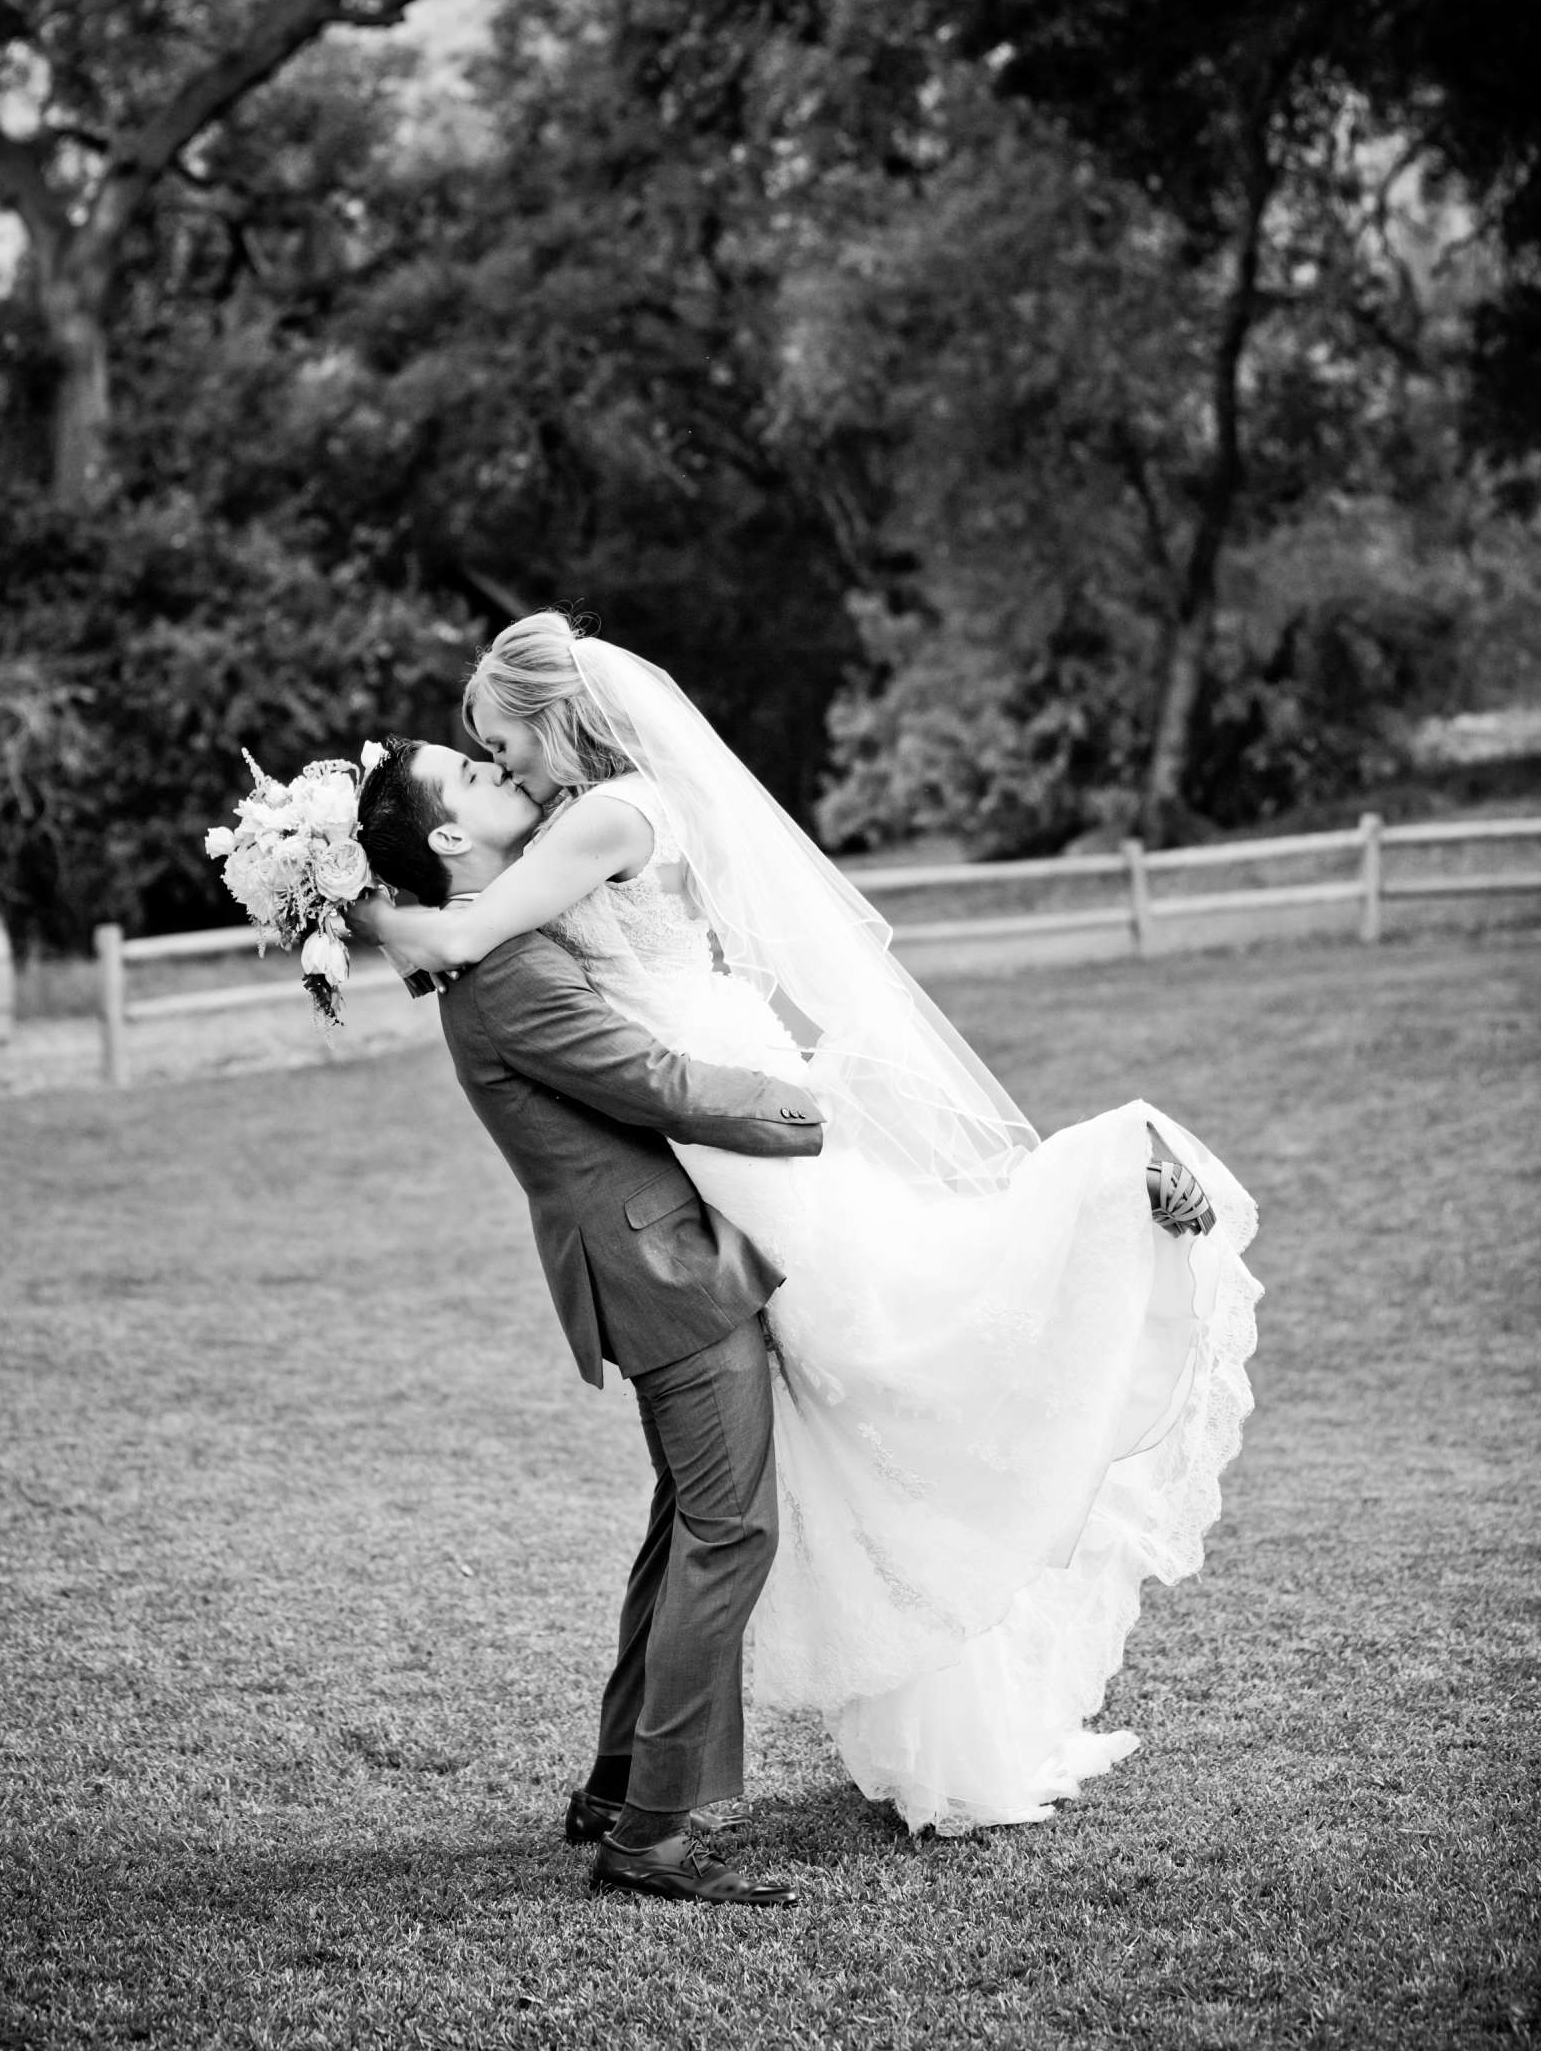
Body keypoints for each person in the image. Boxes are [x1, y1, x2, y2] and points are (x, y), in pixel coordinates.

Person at [353, 612, 1261, 1836]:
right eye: (480, 762)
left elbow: (465, 934)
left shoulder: (596, 817)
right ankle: (642, 1802)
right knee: (810, 1417)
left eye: (500, 743)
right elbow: (471, 936)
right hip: (696, 1137)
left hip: (722, 1113)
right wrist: (343, 892)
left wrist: (339, 911)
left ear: (556, 717)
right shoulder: (580, 828)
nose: (503, 766)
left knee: (889, 1329)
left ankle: (1106, 1172)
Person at [356, 740, 824, 1905]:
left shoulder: (495, 944)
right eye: (467, 775)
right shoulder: (503, 972)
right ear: (452, 842)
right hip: (663, 1270)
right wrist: (807, 1106)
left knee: (686, 1529)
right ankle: (649, 1836)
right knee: (728, 1534)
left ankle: (620, 1786)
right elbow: (655, 1084)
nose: (491, 769)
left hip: (649, 1259)